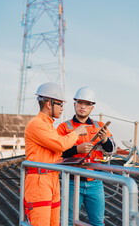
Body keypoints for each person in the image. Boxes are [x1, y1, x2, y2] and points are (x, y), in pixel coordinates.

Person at [23, 82, 89, 226]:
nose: (62, 108)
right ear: (48, 104)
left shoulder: (48, 125)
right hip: (39, 182)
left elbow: (57, 152)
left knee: (54, 223)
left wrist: (74, 160)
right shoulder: (36, 124)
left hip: (51, 178)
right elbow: (61, 144)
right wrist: (77, 132)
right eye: (59, 104)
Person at [57, 86, 116, 226]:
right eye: (80, 103)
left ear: (92, 108)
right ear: (74, 104)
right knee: (68, 222)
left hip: (95, 182)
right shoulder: (63, 127)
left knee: (98, 222)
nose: (83, 106)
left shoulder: (100, 126)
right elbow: (57, 151)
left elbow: (112, 150)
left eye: (87, 104)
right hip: (71, 181)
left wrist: (105, 140)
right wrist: (77, 149)